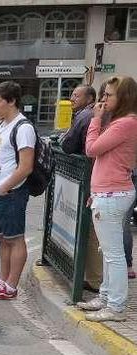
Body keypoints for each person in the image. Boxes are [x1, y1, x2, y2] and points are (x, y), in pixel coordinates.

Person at [76, 76, 137, 322]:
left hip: (113, 193)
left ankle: (116, 306)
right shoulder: (124, 123)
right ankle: (106, 297)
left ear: (123, 97)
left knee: (113, 254)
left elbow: (91, 149)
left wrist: (95, 121)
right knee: (108, 251)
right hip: (109, 192)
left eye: (108, 95)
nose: (103, 100)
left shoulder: (125, 124)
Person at [0, 82, 36, 300]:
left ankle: (11, 285)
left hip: (11, 192)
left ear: (11, 101)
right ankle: (2, 280)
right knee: (3, 238)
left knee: (15, 238)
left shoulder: (23, 128)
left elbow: (26, 166)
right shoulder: (2, 125)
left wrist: (6, 186)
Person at [60, 84, 103, 290]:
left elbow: (68, 145)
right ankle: (93, 277)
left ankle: (94, 280)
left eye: (77, 95)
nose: (72, 98)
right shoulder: (88, 115)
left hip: (93, 180)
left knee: (92, 231)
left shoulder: (85, 116)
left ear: (90, 98)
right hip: (97, 179)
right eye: (72, 94)